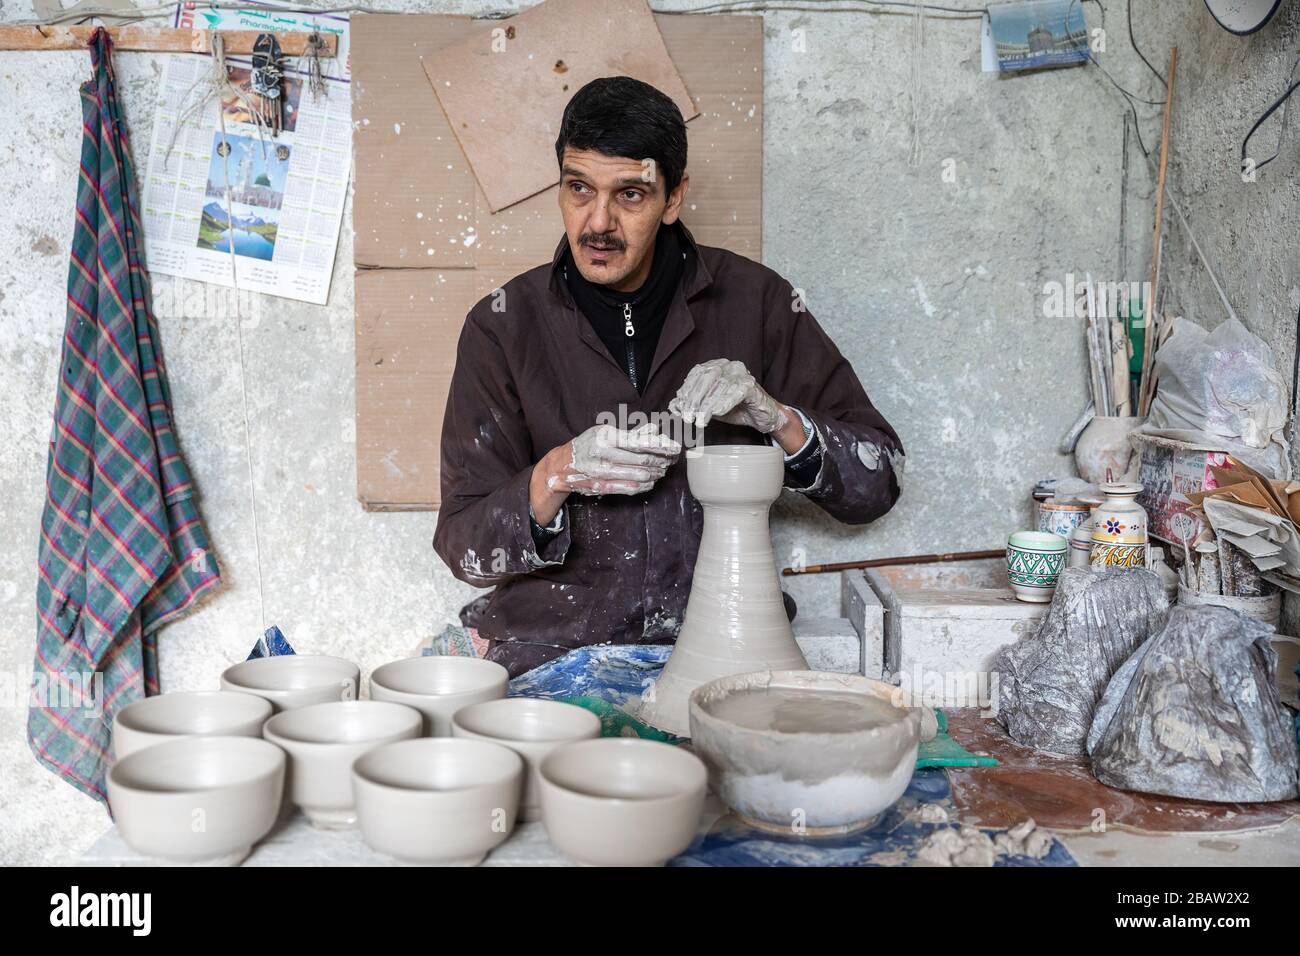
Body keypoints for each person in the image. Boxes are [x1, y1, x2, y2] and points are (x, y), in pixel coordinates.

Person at [433, 76, 904, 676]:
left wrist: (778, 420)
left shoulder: (757, 302)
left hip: (727, 644)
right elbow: (463, 547)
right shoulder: (502, 326)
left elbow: (879, 483)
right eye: (579, 189)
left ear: (674, 198)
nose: (597, 223)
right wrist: (556, 474)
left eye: (630, 195)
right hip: (552, 653)